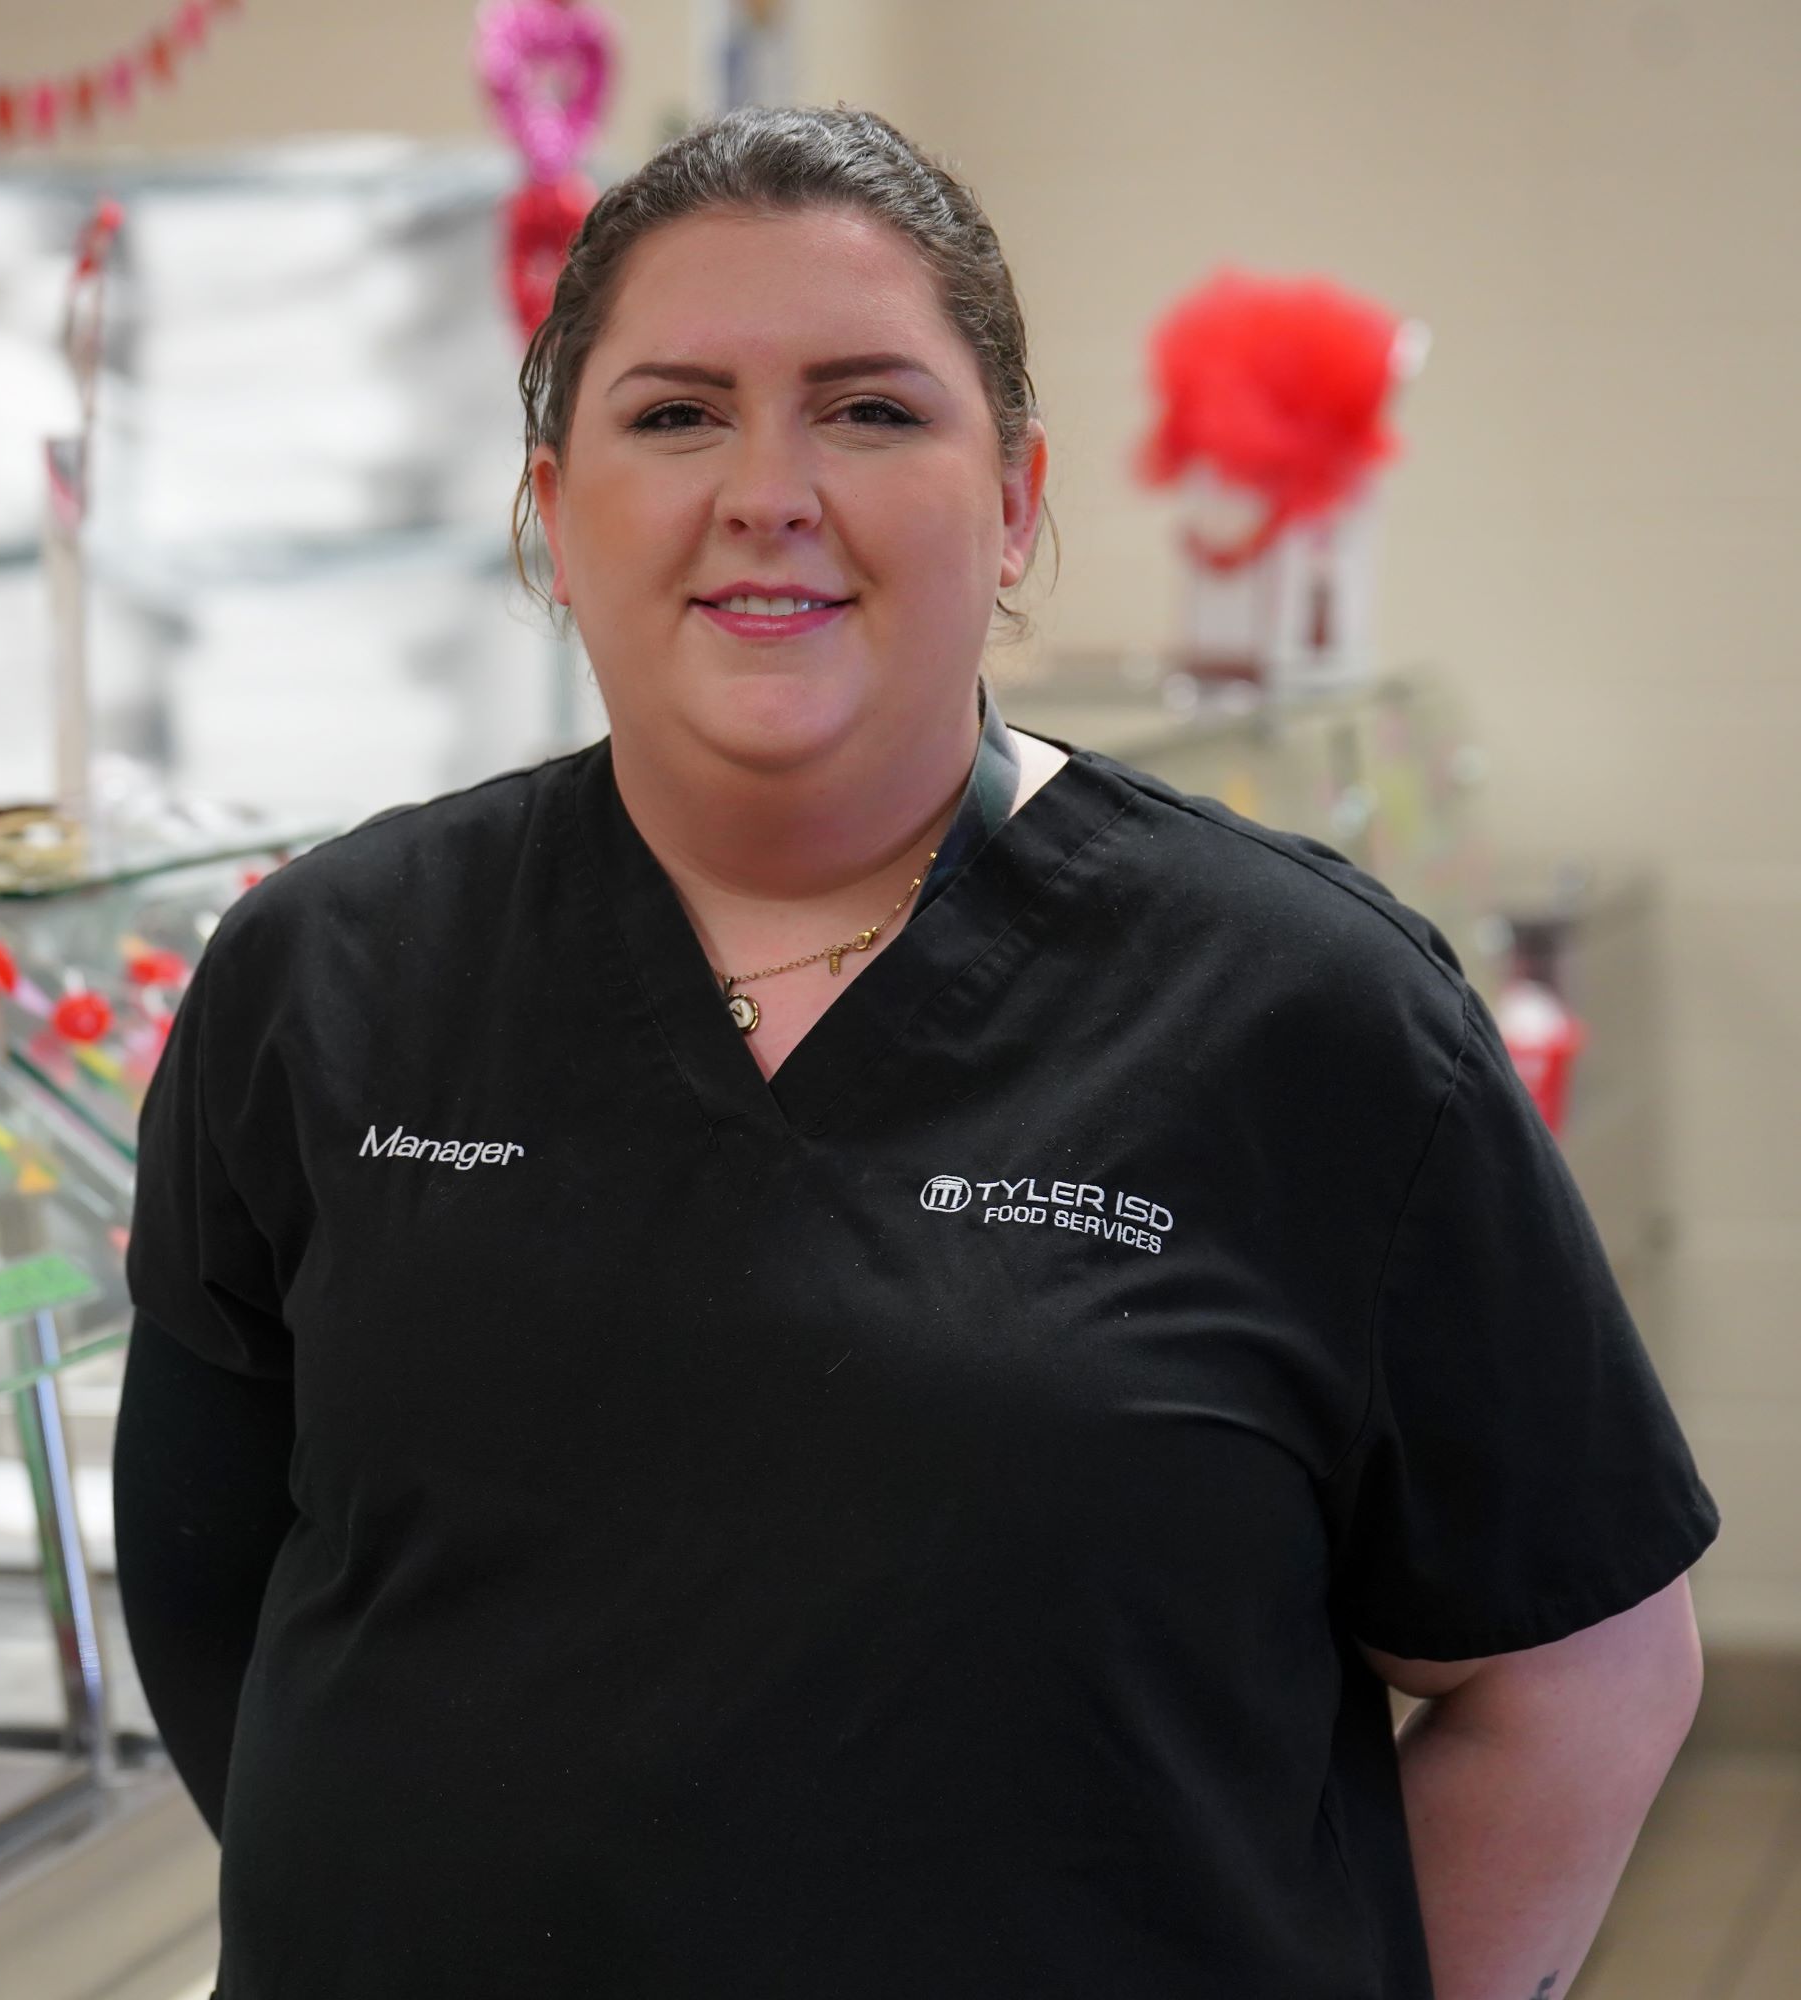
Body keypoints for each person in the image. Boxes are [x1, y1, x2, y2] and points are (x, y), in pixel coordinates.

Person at [114, 105, 1715, 1999]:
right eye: (674, 412)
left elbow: (1584, 1678)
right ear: (550, 510)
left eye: (872, 411)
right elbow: (221, 1598)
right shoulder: (329, 971)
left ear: (1018, 498)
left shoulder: (1311, 1014)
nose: (769, 489)